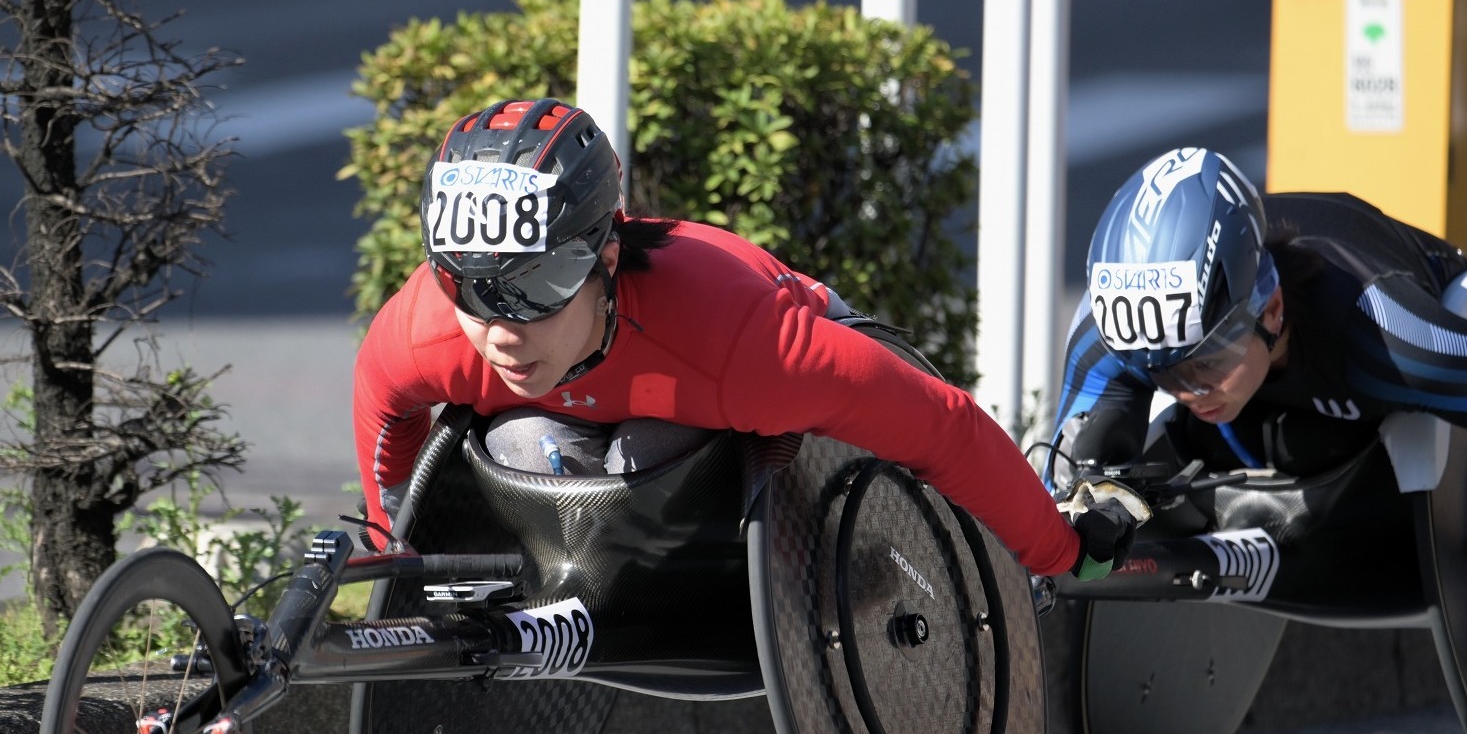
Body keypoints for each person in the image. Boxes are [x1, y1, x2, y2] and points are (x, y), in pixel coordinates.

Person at [352, 97, 1139, 587]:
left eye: (534, 290)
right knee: (521, 445)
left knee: (643, 448)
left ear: (606, 261)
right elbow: (383, 408)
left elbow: (941, 423)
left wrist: (1058, 550)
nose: (498, 331)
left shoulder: (742, 348)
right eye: (469, 287)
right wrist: (398, 550)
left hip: (728, 402)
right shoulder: (427, 333)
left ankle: (818, 574)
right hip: (605, 426)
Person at [1046, 146, 1467, 685]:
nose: (1192, 389)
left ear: (1271, 308)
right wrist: (1093, 513)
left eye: (1207, 363)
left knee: (1301, 437)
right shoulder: (1118, 332)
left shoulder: (1388, 336)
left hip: (1381, 441)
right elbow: (1062, 505)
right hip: (1262, 426)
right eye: (1165, 373)